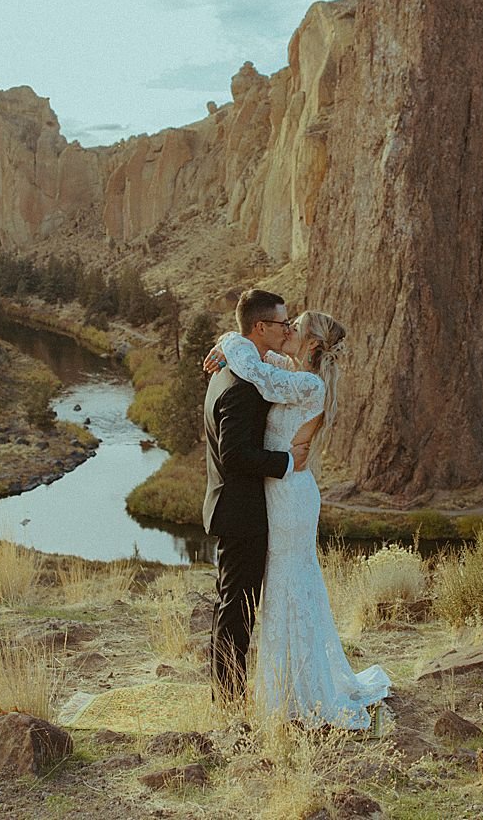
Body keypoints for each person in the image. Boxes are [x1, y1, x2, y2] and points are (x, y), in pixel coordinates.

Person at [207, 310, 391, 729]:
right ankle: (285, 685)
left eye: (296, 327)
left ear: (310, 343)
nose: (287, 330)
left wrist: (228, 344)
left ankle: (298, 693)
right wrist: (226, 344)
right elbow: (253, 359)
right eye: (284, 324)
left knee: (289, 585)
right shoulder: (284, 369)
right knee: (281, 586)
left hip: (290, 493)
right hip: (278, 487)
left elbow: (253, 368)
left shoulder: (307, 384)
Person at [202, 289, 309, 704]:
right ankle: (228, 697)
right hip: (241, 511)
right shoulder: (243, 383)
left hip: (234, 508)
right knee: (237, 608)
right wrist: (285, 462)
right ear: (260, 327)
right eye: (282, 323)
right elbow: (234, 455)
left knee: (231, 602)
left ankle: (226, 692)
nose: (287, 328)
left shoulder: (235, 368)